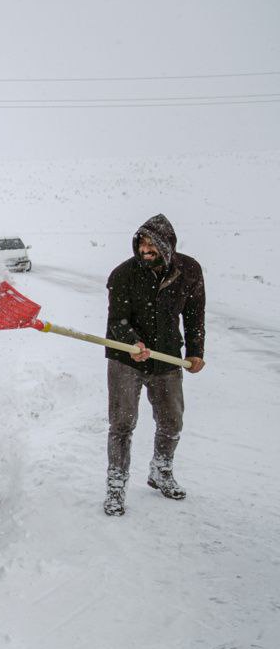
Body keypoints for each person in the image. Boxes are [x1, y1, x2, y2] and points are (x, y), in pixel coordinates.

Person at [103, 213, 205, 516]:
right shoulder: (123, 274)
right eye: (141, 244)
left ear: (167, 245)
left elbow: (194, 314)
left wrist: (196, 350)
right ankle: (116, 486)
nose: (145, 250)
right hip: (126, 358)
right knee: (122, 423)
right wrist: (132, 342)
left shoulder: (189, 271)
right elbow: (116, 320)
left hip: (167, 357)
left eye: (152, 245)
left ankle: (160, 471)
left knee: (172, 421)